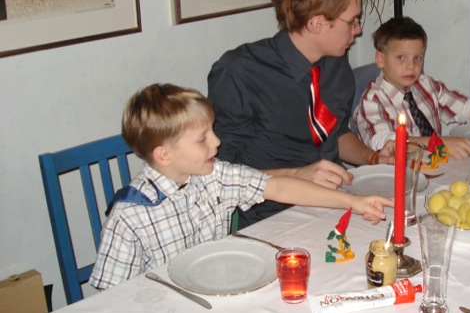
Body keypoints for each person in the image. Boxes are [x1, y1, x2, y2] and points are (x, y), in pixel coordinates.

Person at [89, 84, 393, 290]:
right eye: (203, 138)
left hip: (220, 289)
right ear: (164, 155)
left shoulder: (214, 175)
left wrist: (353, 202)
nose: (216, 142)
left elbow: (279, 187)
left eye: (212, 131)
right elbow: (111, 298)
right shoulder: (131, 215)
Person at [207, 0, 394, 228]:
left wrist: (372, 157)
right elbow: (219, 172)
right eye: (352, 21)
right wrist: (296, 174)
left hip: (337, 202)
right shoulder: (240, 72)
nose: (358, 29)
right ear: (317, 23)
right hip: (274, 217)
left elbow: (335, 133)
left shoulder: (335, 64)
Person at [353, 16, 470, 159]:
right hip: (395, 181)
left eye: (418, 57)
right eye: (401, 57)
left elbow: (467, 108)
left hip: (435, 167)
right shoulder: (372, 100)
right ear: (380, 59)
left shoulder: (426, 85)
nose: (411, 66)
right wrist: (440, 143)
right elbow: (385, 142)